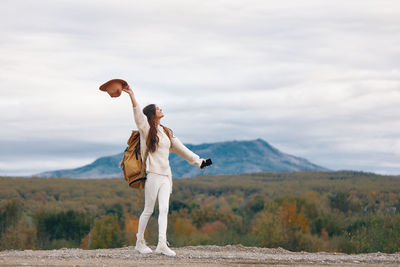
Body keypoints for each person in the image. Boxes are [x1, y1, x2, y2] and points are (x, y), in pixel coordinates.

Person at [122, 84, 209, 257]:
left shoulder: (167, 132)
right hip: (152, 175)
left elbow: (182, 149)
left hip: (166, 177)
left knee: (164, 209)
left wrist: (200, 162)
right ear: (152, 115)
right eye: (157, 108)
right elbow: (138, 115)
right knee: (148, 210)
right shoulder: (146, 130)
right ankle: (139, 242)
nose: (161, 109)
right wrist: (131, 95)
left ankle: (162, 244)